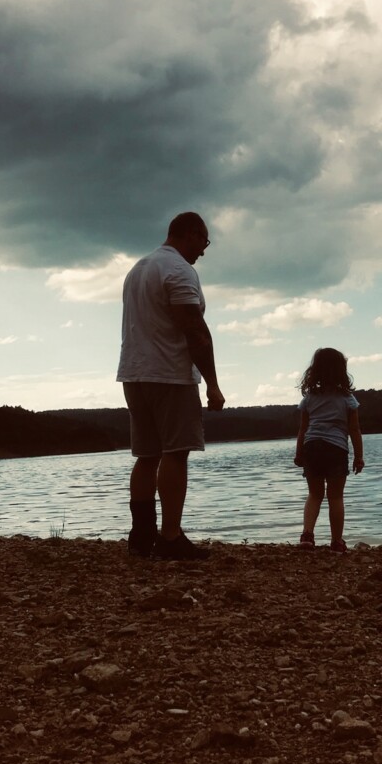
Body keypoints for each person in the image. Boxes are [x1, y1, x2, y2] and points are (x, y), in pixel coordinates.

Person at [116, 211, 225, 561]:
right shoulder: (178, 270)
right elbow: (194, 330)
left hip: (134, 374)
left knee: (146, 456)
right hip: (170, 374)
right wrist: (212, 384)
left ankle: (141, 538)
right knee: (176, 453)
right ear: (190, 234)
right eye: (204, 241)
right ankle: (170, 538)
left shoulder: (138, 269)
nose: (203, 251)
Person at [293, 347, 364, 553]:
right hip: (336, 448)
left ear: (314, 370)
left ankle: (307, 535)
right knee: (335, 496)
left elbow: (303, 429)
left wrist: (299, 453)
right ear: (342, 370)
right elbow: (354, 430)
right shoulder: (347, 399)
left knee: (314, 494)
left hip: (312, 447)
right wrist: (359, 457)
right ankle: (337, 541)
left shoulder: (309, 398)